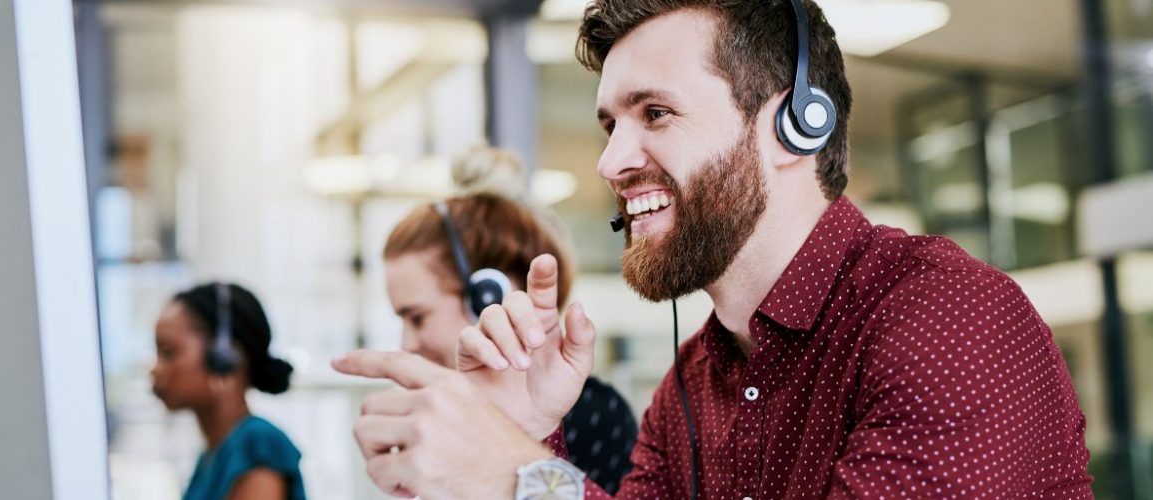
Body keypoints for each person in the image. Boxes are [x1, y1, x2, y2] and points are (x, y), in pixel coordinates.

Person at [332, 0, 1094, 498]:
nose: (611, 163)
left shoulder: (951, 322)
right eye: (609, 126)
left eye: (655, 113)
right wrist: (525, 433)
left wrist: (520, 478)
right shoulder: (693, 382)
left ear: (794, 125)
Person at [381, 187, 638, 494]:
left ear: (488, 297)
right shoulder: (434, 423)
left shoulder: (593, 413)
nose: (407, 344)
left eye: (418, 318)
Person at [152, 283, 307, 500]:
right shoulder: (213, 454)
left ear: (223, 359)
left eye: (168, 353)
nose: (155, 369)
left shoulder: (257, 445)